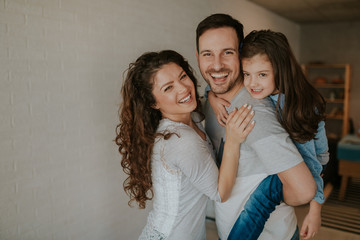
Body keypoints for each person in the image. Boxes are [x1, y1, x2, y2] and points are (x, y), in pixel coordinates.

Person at [196, 13, 317, 240]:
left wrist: (266, 196)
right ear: (198, 57)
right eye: (207, 54)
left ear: (241, 54)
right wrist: (211, 95)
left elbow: (303, 191)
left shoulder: (252, 113)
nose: (216, 64)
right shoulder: (215, 95)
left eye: (227, 52)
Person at [115, 50, 255, 240]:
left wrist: (213, 98)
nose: (183, 88)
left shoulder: (192, 117)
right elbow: (220, 193)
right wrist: (233, 140)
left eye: (183, 76)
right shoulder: (180, 140)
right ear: (153, 103)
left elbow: (204, 98)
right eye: (168, 88)